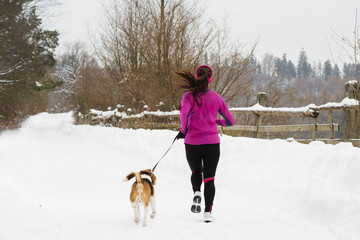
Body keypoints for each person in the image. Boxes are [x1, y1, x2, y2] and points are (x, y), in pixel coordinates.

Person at [173, 65, 235, 223]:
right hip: (212, 144)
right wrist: (216, 121)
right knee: (209, 179)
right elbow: (230, 121)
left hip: (192, 143)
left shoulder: (188, 96)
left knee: (196, 171)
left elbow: (184, 113)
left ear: (196, 77)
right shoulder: (217, 98)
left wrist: (184, 130)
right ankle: (207, 212)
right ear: (210, 79)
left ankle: (196, 192)